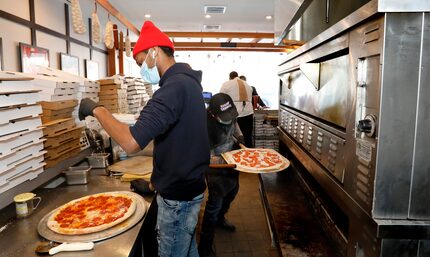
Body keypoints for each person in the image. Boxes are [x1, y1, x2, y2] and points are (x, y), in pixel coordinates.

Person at [79, 21, 209, 257]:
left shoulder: (172, 89)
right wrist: (156, 182)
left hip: (178, 200)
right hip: (190, 189)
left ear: (154, 52)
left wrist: (97, 110)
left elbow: (130, 142)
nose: (141, 69)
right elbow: (181, 142)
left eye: (141, 63)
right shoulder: (188, 83)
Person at [199, 93, 242, 257]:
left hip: (231, 160)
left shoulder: (230, 113)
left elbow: (235, 126)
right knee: (214, 204)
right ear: (213, 114)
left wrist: (240, 137)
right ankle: (205, 244)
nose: (228, 119)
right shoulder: (204, 125)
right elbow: (206, 158)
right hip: (215, 166)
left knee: (232, 191)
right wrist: (225, 161)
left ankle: (220, 219)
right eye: (224, 117)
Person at [220, 71, 254, 147]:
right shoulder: (247, 84)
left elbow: (220, 98)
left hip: (235, 114)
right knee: (247, 136)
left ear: (229, 77)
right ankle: (249, 155)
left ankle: (236, 156)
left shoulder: (226, 84)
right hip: (248, 113)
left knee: (234, 138)